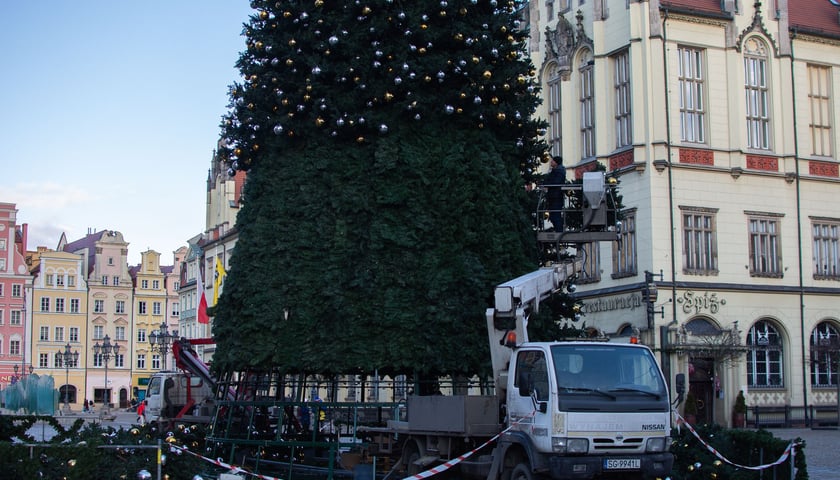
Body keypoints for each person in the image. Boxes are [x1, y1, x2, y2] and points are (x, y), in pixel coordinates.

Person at [545, 155, 566, 231]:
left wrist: (547, 183)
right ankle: (558, 230)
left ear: (556, 163)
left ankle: (559, 230)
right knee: (553, 215)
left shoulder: (559, 172)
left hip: (556, 196)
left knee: (556, 215)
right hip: (553, 196)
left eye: (553, 161)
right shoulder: (555, 171)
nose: (551, 162)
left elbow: (555, 182)